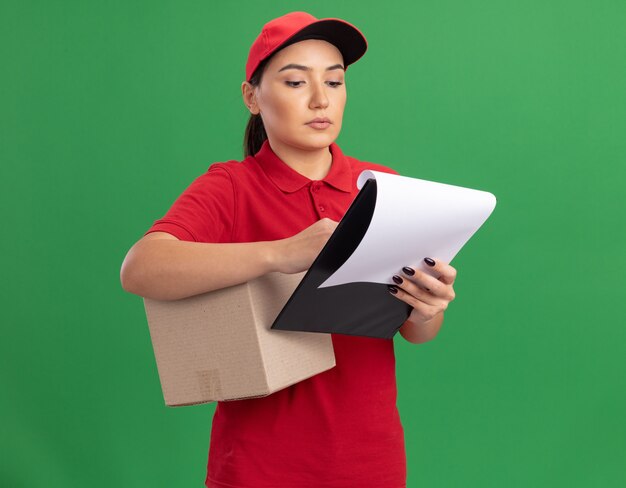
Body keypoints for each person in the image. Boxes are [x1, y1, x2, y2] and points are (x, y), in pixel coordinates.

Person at [120, 11, 457, 488]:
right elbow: (141, 268)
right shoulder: (231, 187)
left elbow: (416, 333)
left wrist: (428, 307)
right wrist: (283, 253)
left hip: (370, 460)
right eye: (296, 82)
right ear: (252, 96)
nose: (321, 99)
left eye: (335, 82)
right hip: (259, 465)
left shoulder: (383, 188)